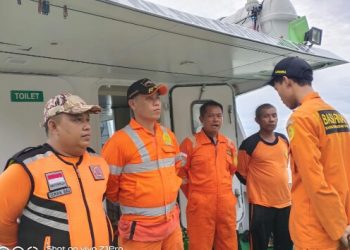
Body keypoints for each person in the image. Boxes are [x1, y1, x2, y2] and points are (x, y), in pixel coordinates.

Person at [0, 93, 112, 248]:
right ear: (53, 126)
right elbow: (2, 221)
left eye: (87, 119)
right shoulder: (26, 168)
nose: (86, 126)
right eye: (77, 119)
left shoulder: (99, 163)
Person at [267, 56, 350, 250]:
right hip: (342, 221)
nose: (280, 97)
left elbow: (314, 180)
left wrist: (338, 229)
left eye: (278, 90)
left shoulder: (301, 119)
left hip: (317, 230)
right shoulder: (337, 116)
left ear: (287, 81)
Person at [102, 78, 183, 250]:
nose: (156, 103)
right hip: (140, 233)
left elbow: (175, 170)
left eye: (157, 98)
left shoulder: (168, 135)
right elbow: (109, 186)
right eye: (149, 98)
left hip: (171, 227)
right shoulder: (119, 141)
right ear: (132, 103)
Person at [179, 100, 238, 250]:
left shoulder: (229, 144)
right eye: (211, 116)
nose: (215, 119)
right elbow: (179, 173)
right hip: (200, 207)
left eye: (219, 116)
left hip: (225, 206)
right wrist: (195, 196)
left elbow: (231, 170)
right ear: (201, 119)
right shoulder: (189, 143)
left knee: (229, 245)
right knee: (200, 245)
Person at [236, 103, 293, 250]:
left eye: (274, 115)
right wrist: (259, 185)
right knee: (259, 245)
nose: (271, 119)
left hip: (285, 202)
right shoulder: (249, 144)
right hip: (261, 204)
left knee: (285, 244)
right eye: (266, 116)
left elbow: (283, 165)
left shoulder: (283, 140)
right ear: (257, 120)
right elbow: (241, 172)